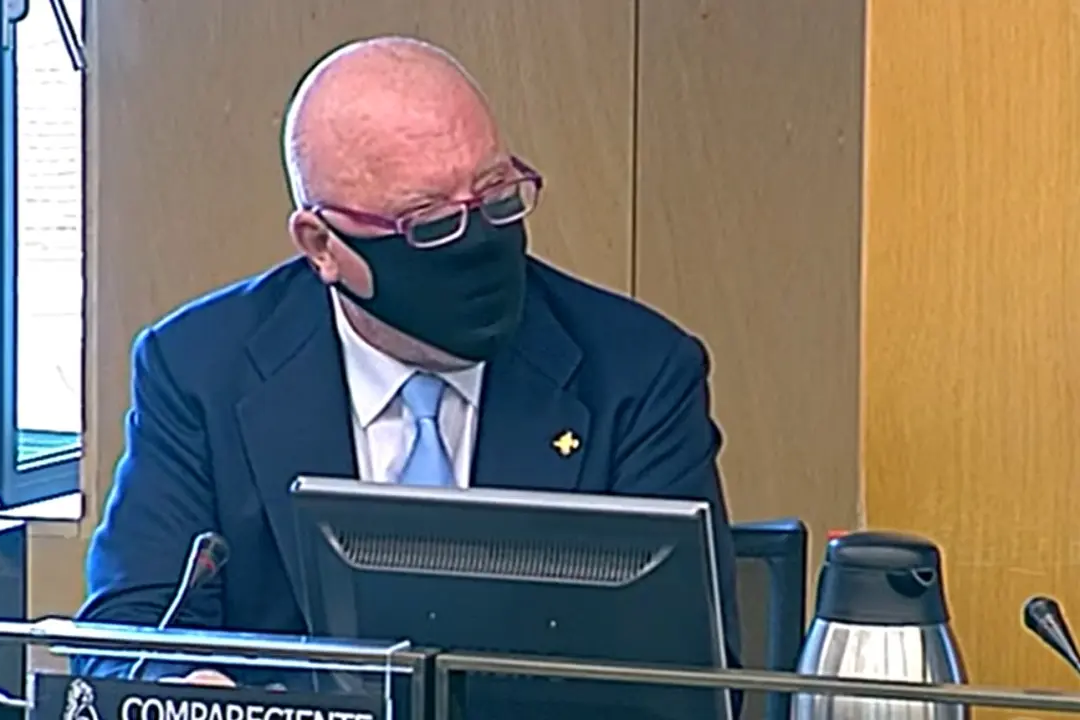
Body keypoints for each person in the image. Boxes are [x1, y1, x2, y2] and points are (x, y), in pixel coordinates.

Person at [74, 35, 740, 693]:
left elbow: (687, 679)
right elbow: (127, 635)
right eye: (429, 224)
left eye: (497, 198)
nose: (478, 244)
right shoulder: (200, 368)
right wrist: (188, 687)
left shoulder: (636, 374)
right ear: (322, 245)